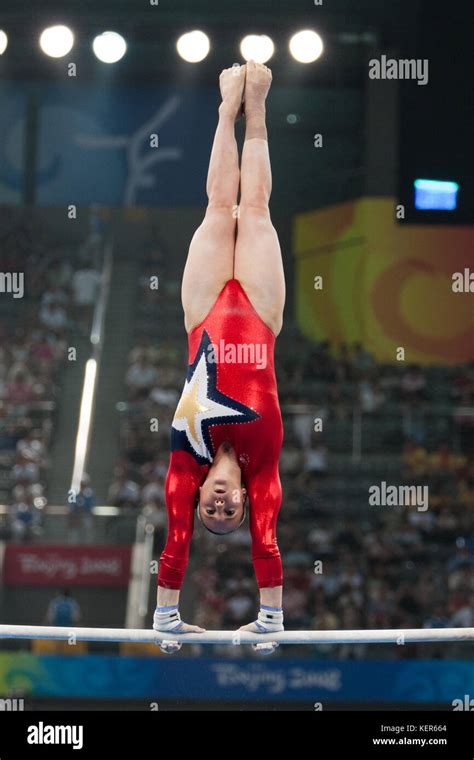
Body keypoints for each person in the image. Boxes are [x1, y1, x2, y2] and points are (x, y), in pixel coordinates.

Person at [154, 61, 286, 639]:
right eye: (230, 512)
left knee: (216, 206)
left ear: (203, 495)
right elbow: (268, 538)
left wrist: (166, 617)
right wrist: (271, 619)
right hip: (260, 313)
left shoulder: (187, 462)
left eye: (213, 509)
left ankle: (223, 108)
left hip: (204, 312)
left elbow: (174, 535)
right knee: (252, 207)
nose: (222, 507)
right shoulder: (264, 471)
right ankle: (256, 104)